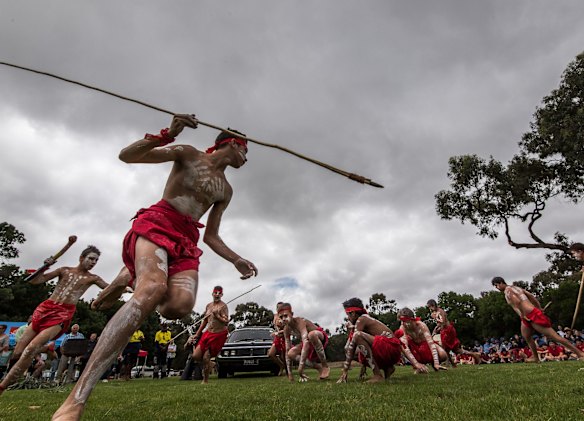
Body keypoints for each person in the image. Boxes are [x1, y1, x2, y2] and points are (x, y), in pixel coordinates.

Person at [52, 115, 257, 420]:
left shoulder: (225, 190)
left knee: (178, 306)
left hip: (187, 239)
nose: (246, 157)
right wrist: (167, 133)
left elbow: (211, 235)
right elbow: (128, 156)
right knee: (153, 288)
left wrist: (235, 258)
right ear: (230, 143)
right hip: (158, 225)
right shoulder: (187, 153)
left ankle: (128, 276)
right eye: (245, 150)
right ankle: (76, 399)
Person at [0, 245, 106, 395]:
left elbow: (109, 288)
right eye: (90, 258)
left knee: (31, 348)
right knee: (18, 351)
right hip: (45, 309)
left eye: (96, 260)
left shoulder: (93, 278)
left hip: (62, 314)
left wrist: (127, 285)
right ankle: (10, 379)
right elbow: (36, 281)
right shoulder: (64, 270)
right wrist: (44, 266)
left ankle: (3, 386)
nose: (93, 262)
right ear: (81, 258)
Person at [491, 277, 584, 361]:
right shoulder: (516, 288)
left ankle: (579, 353)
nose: (497, 288)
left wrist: (523, 314)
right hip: (528, 314)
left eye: (496, 285)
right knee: (526, 336)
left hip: (529, 314)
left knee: (555, 336)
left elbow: (517, 302)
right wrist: (538, 307)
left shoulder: (508, 291)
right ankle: (535, 357)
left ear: (501, 283)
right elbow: (531, 296)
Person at [337, 298, 404, 383]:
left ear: (353, 313)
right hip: (393, 351)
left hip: (390, 348)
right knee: (355, 348)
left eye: (348, 314)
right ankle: (387, 368)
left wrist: (345, 371)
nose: (348, 318)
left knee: (357, 337)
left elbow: (353, 343)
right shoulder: (364, 319)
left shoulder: (361, 319)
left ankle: (377, 375)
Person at [277, 303, 330, 382]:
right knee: (290, 353)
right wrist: (290, 373)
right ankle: (319, 368)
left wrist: (300, 369)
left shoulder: (300, 321)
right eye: (281, 317)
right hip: (308, 343)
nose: (283, 319)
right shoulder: (286, 329)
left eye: (285, 316)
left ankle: (325, 366)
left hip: (319, 337)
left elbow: (305, 343)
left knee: (311, 335)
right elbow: (287, 349)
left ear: (292, 314)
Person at [192, 286, 229, 384]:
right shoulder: (208, 306)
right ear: (212, 294)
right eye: (215, 293)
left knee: (206, 357)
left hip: (218, 334)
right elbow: (204, 321)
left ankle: (205, 380)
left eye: (219, 293)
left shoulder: (223, 306)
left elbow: (226, 322)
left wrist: (217, 316)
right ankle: (210, 363)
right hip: (208, 332)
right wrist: (197, 334)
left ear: (222, 295)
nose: (217, 295)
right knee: (196, 356)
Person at [426, 299, 481, 366]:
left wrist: (436, 328)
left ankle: (449, 364)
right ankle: (473, 355)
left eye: (430, 307)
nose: (430, 309)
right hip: (445, 330)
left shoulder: (440, 311)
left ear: (433, 305)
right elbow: (439, 323)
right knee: (456, 350)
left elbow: (442, 323)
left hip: (447, 330)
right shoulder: (435, 313)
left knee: (444, 349)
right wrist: (435, 329)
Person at [395, 307, 449, 373]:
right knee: (402, 344)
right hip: (415, 349)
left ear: (412, 319)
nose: (403, 323)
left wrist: (436, 362)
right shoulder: (402, 327)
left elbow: (431, 343)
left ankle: (434, 364)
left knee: (443, 355)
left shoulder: (421, 325)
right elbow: (405, 347)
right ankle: (419, 366)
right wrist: (416, 364)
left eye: (405, 320)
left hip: (426, 345)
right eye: (402, 321)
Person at [267, 303, 286, 376]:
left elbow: (287, 329)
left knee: (283, 356)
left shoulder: (285, 316)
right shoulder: (275, 316)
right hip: (277, 338)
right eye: (278, 307)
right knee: (271, 354)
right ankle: (281, 365)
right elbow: (275, 327)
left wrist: (278, 332)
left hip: (284, 338)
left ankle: (287, 370)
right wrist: (275, 333)